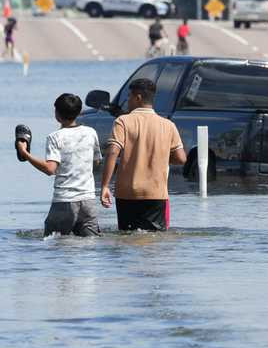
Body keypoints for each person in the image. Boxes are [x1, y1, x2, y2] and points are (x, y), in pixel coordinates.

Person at [100, 78, 187, 231]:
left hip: (127, 193)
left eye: (129, 97)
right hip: (156, 192)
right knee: (154, 241)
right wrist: (160, 156)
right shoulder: (168, 125)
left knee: (127, 237)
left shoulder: (123, 121)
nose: (127, 101)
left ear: (138, 97)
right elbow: (181, 158)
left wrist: (105, 185)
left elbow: (113, 151)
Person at [17, 94, 102, 237]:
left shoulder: (55, 137)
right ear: (79, 112)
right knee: (90, 245)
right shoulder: (91, 133)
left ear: (57, 114)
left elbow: (50, 169)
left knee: (53, 243)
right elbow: (97, 162)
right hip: (88, 201)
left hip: (65, 201)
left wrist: (24, 153)